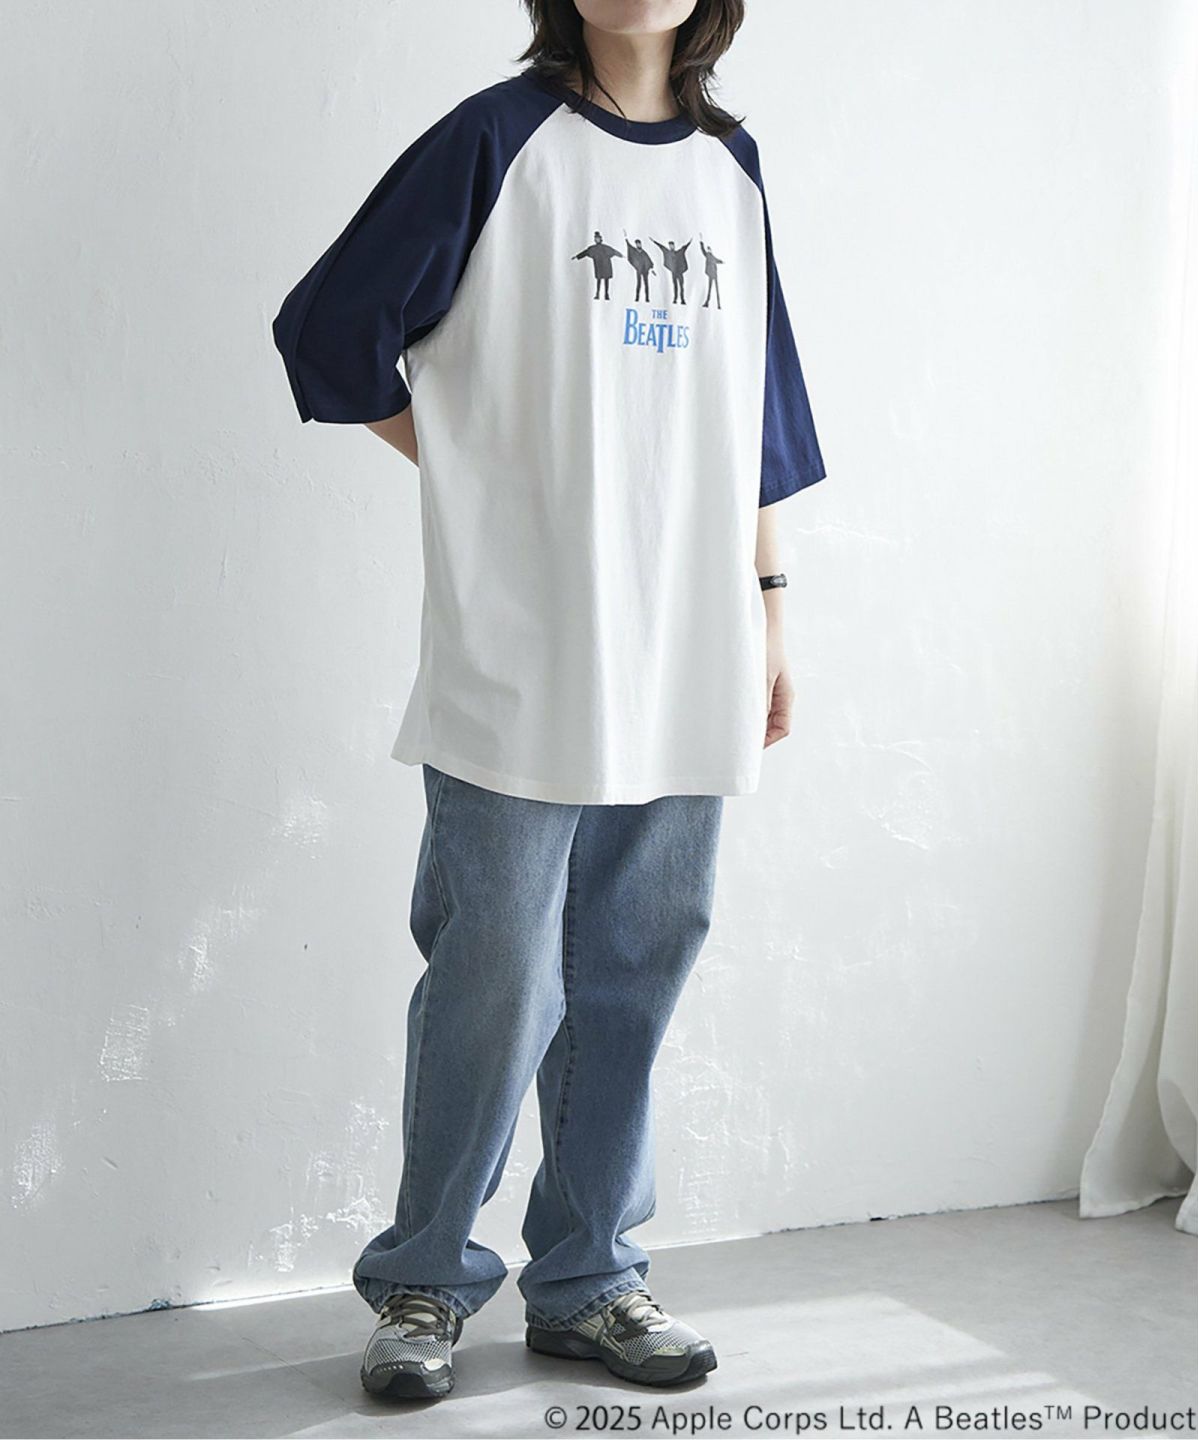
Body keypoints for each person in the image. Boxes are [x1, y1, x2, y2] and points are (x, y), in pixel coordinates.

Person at [271, 0, 825, 1402]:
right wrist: (474, 468)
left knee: (637, 964)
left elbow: (758, 416)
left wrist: (771, 610)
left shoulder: (731, 170)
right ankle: (424, 1279)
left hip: (690, 641)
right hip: (522, 647)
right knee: (500, 971)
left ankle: (590, 1279)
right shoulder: (494, 141)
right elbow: (330, 331)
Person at [573, 229, 623, 297]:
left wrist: (621, 255)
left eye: (598, 238)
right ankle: (597, 294)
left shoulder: (605, 247)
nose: (597, 240)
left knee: (606, 280)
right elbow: (585, 252)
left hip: (606, 265)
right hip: (599, 266)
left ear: (600, 239)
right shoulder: (593, 248)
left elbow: (613, 251)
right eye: (596, 239)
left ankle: (606, 294)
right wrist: (577, 256)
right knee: (599, 280)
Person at [651, 235, 692, 303]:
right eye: (670, 246)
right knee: (675, 286)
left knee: (681, 286)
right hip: (674, 273)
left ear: (674, 246)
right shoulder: (668, 253)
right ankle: (675, 299)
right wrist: (654, 241)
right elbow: (661, 247)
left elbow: (684, 248)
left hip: (680, 272)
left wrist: (689, 242)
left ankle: (682, 299)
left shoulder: (678, 252)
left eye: (672, 245)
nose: (671, 247)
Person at [624, 230, 657, 301]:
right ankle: (637, 298)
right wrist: (626, 237)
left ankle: (647, 298)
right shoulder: (635, 251)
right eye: (637, 244)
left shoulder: (644, 253)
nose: (638, 245)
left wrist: (652, 269)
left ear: (641, 244)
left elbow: (649, 261)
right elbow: (629, 246)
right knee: (639, 284)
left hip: (645, 270)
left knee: (646, 284)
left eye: (639, 244)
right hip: (639, 270)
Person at [700, 235, 724, 308]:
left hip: (714, 275)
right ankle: (708, 303)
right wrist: (701, 242)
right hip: (711, 274)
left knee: (716, 290)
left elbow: (717, 260)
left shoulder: (712, 256)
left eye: (709, 249)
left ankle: (718, 304)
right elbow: (703, 250)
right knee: (711, 289)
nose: (708, 250)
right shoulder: (707, 255)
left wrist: (721, 261)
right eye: (708, 249)